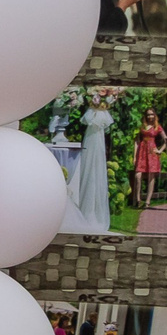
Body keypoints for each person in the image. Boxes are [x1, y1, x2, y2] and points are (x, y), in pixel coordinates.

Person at [66, 91, 113, 233]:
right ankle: (85, 210)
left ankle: (92, 213)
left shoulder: (99, 114)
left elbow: (99, 123)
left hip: (96, 140)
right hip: (91, 139)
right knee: (88, 168)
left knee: (95, 170)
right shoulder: (92, 113)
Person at [132, 108, 164, 213]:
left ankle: (147, 201)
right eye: (148, 114)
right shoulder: (141, 126)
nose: (150, 116)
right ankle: (138, 200)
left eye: (152, 114)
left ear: (155, 115)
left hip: (151, 152)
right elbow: (136, 141)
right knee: (138, 176)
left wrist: (160, 150)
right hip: (141, 152)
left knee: (151, 176)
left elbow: (166, 140)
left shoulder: (157, 127)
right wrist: (134, 156)